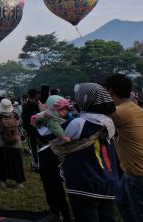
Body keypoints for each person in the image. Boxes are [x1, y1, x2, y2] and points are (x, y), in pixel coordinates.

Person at [56, 83, 118, 221]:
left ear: (84, 99)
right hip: (108, 181)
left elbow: (59, 142)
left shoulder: (79, 123)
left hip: (84, 183)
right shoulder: (109, 122)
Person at [105, 74, 143, 222]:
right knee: (122, 201)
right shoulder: (135, 107)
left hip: (137, 173)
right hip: (130, 171)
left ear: (111, 92)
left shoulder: (118, 112)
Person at [0, 99, 25, 188]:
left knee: (2, 163)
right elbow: (21, 121)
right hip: (15, 142)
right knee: (16, 163)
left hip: (1, 142)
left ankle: (3, 182)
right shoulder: (15, 116)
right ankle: (19, 182)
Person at [21, 89, 41, 170]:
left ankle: (35, 164)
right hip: (39, 129)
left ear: (28, 95)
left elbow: (24, 118)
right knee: (40, 146)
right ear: (36, 95)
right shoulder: (38, 105)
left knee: (32, 148)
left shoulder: (26, 106)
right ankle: (40, 163)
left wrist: (25, 129)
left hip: (30, 129)